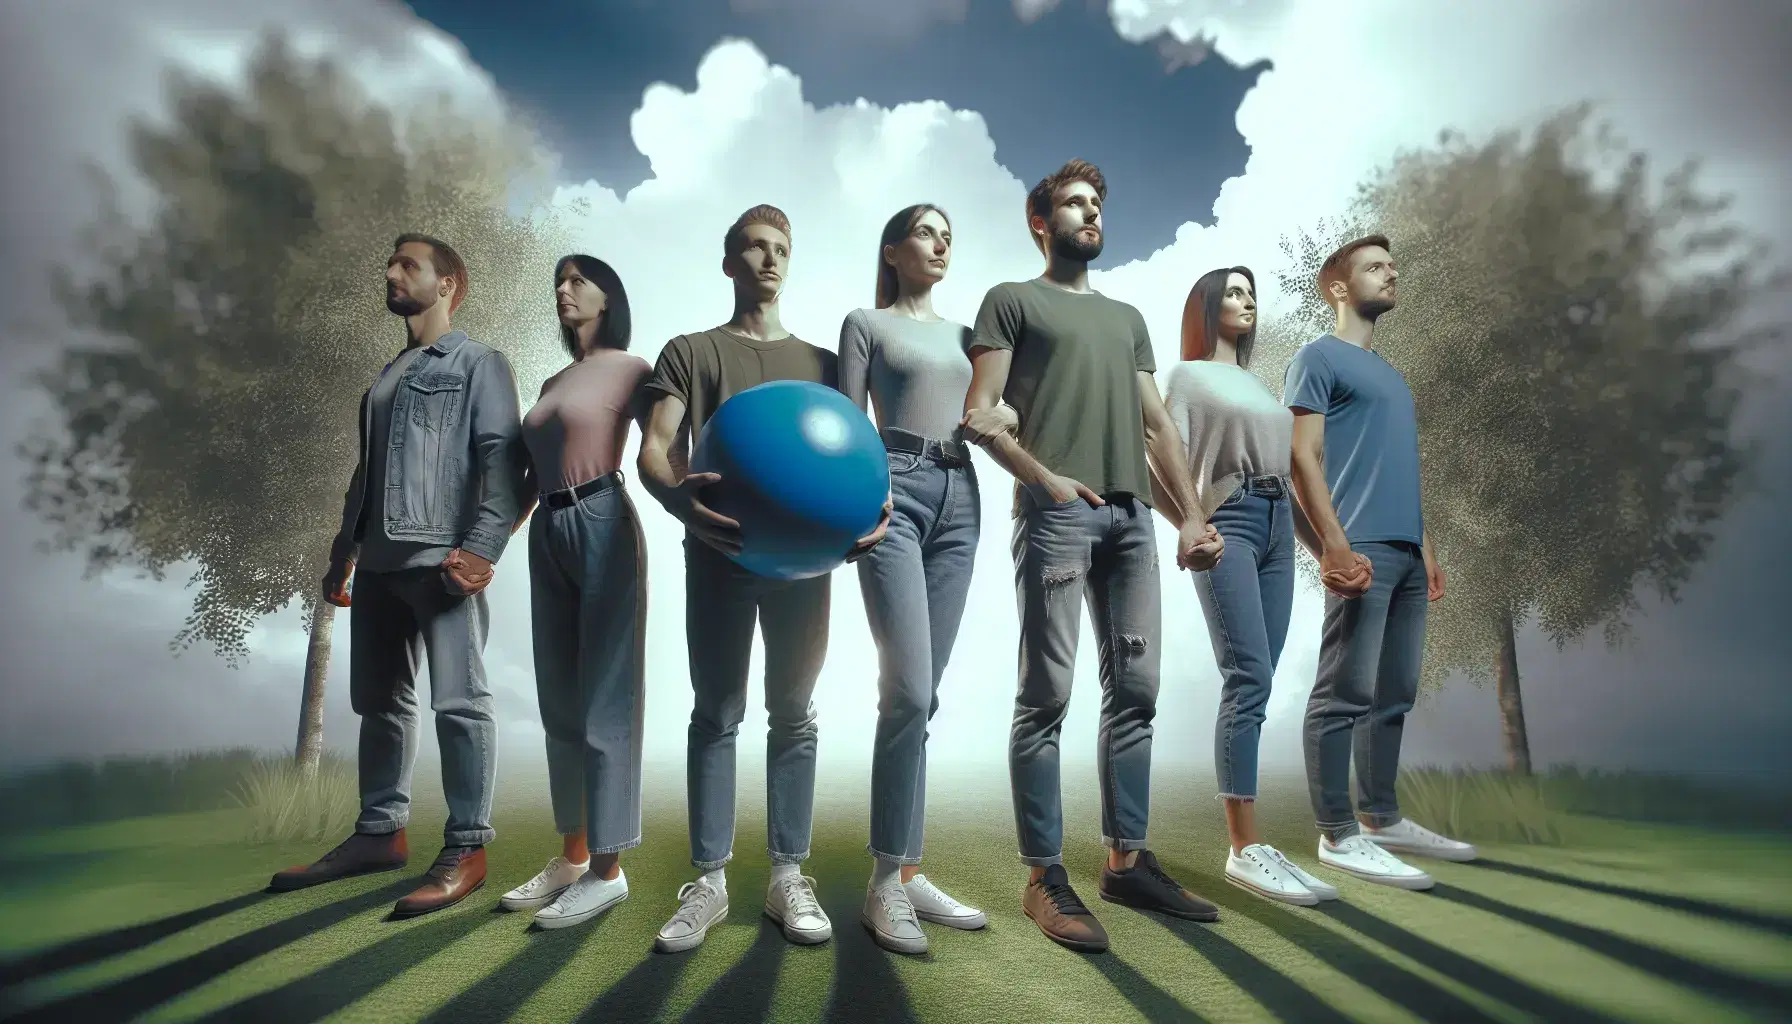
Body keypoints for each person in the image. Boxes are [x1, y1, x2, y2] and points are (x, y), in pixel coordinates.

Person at [960, 160, 1225, 954]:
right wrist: (1044, 480)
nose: (1090, 213)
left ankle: (1127, 861)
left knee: (1136, 690)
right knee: (1047, 695)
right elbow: (980, 414)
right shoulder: (1011, 301)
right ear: (1041, 221)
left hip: (1133, 524)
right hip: (1057, 520)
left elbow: (1156, 429)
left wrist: (1192, 519)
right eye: (1074, 204)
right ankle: (1044, 877)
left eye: (1097, 203)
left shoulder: (1127, 317)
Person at [638, 204, 890, 953]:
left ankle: (787, 876)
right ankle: (710, 882)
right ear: (729, 262)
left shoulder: (824, 366)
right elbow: (655, 448)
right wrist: (678, 500)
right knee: (716, 710)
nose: (770, 259)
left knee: (795, 711)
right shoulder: (689, 351)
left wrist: (864, 521)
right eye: (754, 247)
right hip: (718, 553)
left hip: (808, 564)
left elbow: (853, 459)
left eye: (781, 248)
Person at [270, 233, 526, 918]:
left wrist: (482, 548)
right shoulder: (388, 377)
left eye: (406, 265)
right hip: (379, 567)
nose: (390, 272)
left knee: (460, 704)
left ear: (449, 284)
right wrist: (341, 553)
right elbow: (368, 473)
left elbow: (503, 459)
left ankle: (468, 846)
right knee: (378, 705)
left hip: (442, 563)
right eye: (389, 262)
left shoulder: (479, 364)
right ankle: (379, 833)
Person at [837, 204, 1013, 955]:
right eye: (928, 231)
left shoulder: (968, 336)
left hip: (962, 496)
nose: (943, 242)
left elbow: (997, 407)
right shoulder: (866, 324)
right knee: (905, 691)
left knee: (925, 696)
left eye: (951, 233)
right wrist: (857, 498)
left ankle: (906, 873)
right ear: (893, 249)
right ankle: (883, 885)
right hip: (892, 491)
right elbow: (847, 423)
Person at [1284, 233, 1477, 891]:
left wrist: (1426, 547)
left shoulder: (1392, 375)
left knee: (1393, 693)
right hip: (1359, 547)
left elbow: (1400, 467)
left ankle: (1381, 817)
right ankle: (1337, 834)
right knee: (1344, 692)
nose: (1390, 273)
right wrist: (1333, 545)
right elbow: (1300, 456)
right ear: (1339, 287)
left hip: (1405, 550)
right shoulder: (1318, 358)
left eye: (1392, 266)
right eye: (1374, 267)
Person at [1158, 266, 1339, 907]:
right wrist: (1190, 520)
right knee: (1248, 676)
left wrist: (1326, 556)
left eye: (1249, 293)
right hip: (1228, 520)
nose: (1245, 301)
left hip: (1276, 527)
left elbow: (1288, 481)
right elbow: (1159, 456)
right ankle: (1243, 848)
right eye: (1232, 292)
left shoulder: (1261, 388)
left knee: (1261, 675)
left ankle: (1254, 846)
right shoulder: (1184, 377)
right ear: (1205, 305)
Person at [496, 255, 652, 929]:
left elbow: (671, 447)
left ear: (607, 297)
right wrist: (483, 545)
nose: (564, 291)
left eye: (578, 281)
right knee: (559, 700)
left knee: (605, 702)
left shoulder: (632, 368)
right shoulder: (554, 379)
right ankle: (572, 855)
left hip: (604, 519)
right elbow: (527, 478)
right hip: (548, 528)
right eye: (559, 282)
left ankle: (609, 872)